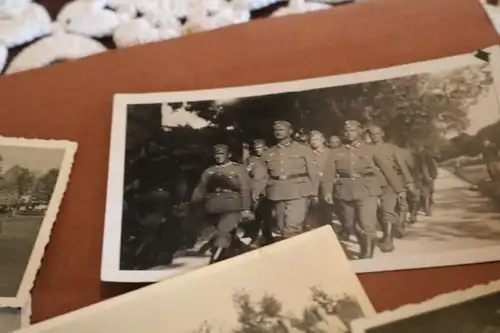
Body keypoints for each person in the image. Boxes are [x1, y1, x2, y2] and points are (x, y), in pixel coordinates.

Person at [321, 120, 406, 259]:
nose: (349, 133)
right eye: (347, 131)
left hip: (368, 190)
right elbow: (328, 174)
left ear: (359, 132)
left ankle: (367, 254)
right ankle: (363, 246)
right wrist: (327, 191)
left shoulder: (370, 149)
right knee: (350, 224)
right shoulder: (336, 152)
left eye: (353, 130)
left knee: (367, 224)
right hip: (345, 191)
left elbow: (387, 170)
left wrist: (399, 189)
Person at [253, 120, 319, 240]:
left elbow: (313, 172)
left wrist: (314, 191)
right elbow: (261, 176)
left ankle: (293, 256)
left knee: (292, 228)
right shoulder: (268, 153)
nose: (278, 132)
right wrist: (256, 192)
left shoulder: (303, 149)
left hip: (298, 191)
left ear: (290, 131)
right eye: (276, 130)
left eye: (281, 129)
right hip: (277, 192)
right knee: (281, 227)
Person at [191, 144, 253, 263]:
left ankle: (215, 260)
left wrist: (246, 208)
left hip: (232, 205)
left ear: (229, 155)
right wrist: (194, 204)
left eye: (221, 154)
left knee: (224, 231)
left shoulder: (238, 169)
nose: (218, 157)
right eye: (217, 154)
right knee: (223, 231)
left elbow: (245, 190)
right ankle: (238, 250)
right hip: (213, 207)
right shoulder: (209, 171)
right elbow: (200, 189)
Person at [366, 125, 415, 249]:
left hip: (390, 184)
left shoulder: (392, 149)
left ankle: (389, 240)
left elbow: (402, 166)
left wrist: (409, 182)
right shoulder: (365, 149)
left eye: (377, 133)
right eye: (372, 134)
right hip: (371, 184)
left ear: (382, 134)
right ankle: (387, 233)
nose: (374, 136)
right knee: (378, 212)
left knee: (388, 210)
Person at [245, 139, 274, 248]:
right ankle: (265, 237)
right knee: (257, 215)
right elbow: (248, 175)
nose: (258, 150)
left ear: (265, 147)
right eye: (256, 147)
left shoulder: (269, 158)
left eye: (260, 147)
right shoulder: (251, 159)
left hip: (266, 190)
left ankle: (261, 236)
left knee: (265, 215)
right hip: (254, 189)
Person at [308, 130, 332, 228]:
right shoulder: (307, 153)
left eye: (317, 139)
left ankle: (328, 228)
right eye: (312, 139)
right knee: (312, 210)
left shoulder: (329, 152)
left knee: (326, 209)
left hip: (327, 184)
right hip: (311, 184)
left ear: (323, 140)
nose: (314, 141)